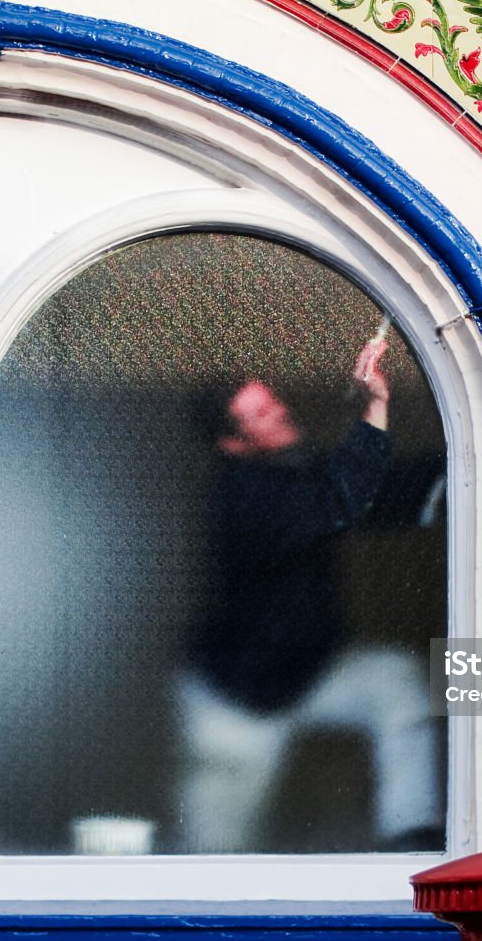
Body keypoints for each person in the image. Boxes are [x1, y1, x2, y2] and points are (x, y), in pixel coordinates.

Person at [178, 335, 443, 852]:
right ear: (233, 444)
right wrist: (374, 409)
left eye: (270, 399)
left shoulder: (295, 470)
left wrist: (472, 458)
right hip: (237, 702)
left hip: (312, 672)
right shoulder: (243, 496)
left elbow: (376, 490)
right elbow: (338, 500)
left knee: (396, 685)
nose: (279, 411)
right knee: (212, 858)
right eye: (259, 413)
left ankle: (411, 837)